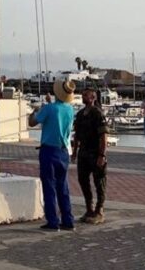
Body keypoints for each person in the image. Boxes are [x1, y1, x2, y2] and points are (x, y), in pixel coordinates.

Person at [28, 78, 76, 232]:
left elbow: (32, 123)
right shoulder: (70, 109)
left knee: (49, 187)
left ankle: (52, 221)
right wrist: (48, 104)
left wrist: (35, 111)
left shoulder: (49, 109)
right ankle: (68, 220)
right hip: (63, 151)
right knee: (63, 187)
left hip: (49, 150)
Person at [71, 89, 107, 224]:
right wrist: (74, 152)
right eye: (83, 94)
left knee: (100, 182)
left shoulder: (97, 113)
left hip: (95, 152)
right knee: (83, 180)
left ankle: (99, 210)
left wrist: (102, 155)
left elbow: (103, 136)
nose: (83, 96)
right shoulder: (80, 114)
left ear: (92, 97)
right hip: (83, 153)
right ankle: (89, 208)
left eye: (86, 95)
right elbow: (77, 135)